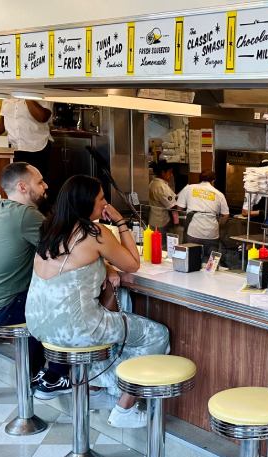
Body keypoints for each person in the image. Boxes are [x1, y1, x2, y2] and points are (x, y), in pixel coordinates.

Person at [25, 175, 170, 428]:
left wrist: (105, 267)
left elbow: (73, 260)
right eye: (102, 198)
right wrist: (121, 222)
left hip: (37, 324)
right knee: (156, 335)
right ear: (86, 203)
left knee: (110, 326)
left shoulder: (50, 228)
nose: (105, 203)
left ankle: (97, 386)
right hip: (75, 329)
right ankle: (124, 406)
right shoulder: (94, 231)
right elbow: (132, 263)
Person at [0, 162, 69, 398]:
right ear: (22, 186)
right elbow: (63, 254)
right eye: (40, 182)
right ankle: (55, 376)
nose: (46, 186)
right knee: (60, 306)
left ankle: (35, 372)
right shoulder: (27, 215)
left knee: (36, 301)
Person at [176, 170, 229, 257]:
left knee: (192, 259)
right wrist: (218, 225)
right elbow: (226, 215)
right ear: (213, 181)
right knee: (210, 262)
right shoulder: (219, 194)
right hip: (211, 233)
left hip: (193, 232)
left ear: (199, 179)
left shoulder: (189, 188)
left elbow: (179, 208)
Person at [0, 99, 53, 177]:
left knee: (35, 183)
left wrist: (26, 96)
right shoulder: (8, 95)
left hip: (36, 148)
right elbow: (3, 119)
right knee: (16, 182)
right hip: (14, 149)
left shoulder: (39, 94)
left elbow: (42, 117)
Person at [147, 160, 179, 231]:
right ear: (163, 173)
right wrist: (176, 221)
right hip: (161, 222)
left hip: (153, 220)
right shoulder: (161, 187)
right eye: (170, 172)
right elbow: (172, 206)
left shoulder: (153, 183)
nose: (171, 175)